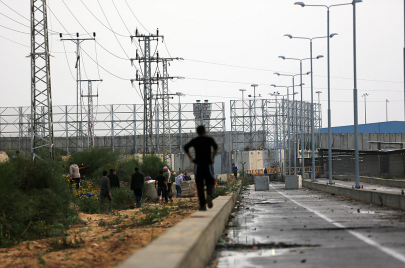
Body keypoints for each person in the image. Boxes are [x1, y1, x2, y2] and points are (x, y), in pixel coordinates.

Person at [184, 125, 218, 211]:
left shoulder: (195, 140)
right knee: (210, 181)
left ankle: (202, 206)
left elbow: (185, 147)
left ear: (197, 132)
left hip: (198, 165)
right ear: (205, 131)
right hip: (208, 164)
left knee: (199, 185)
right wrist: (213, 157)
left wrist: (191, 158)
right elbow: (215, 147)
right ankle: (209, 194)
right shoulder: (209, 139)